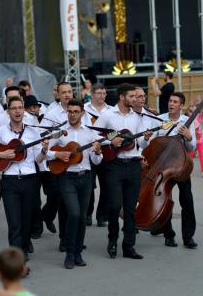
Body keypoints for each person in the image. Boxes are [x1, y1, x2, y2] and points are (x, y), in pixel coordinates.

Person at [0, 97, 45, 268]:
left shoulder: (33, 132)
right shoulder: (0, 131)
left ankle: (23, 247)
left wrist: (44, 151)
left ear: (24, 110)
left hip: (30, 180)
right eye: (13, 108)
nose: (17, 111)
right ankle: (17, 259)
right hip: (9, 182)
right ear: (8, 112)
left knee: (27, 221)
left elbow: (38, 159)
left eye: (20, 108)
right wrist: (1, 155)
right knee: (14, 222)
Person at [93, 83, 153, 260]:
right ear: (121, 97)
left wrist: (146, 139)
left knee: (130, 208)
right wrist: (113, 140)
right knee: (114, 206)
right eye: (132, 96)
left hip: (134, 164)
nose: (135, 99)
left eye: (136, 96)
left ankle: (129, 246)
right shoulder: (107, 115)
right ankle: (112, 241)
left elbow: (140, 143)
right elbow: (97, 136)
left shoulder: (138, 117)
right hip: (114, 165)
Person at [45, 98, 102, 268]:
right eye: (70, 111)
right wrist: (57, 155)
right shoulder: (61, 132)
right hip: (66, 178)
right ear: (67, 112)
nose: (73, 114)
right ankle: (69, 253)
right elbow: (45, 150)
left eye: (76, 111)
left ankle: (78, 253)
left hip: (85, 177)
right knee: (74, 214)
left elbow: (97, 161)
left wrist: (98, 153)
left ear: (82, 113)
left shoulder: (90, 133)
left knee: (82, 217)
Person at [151, 92, 198, 249]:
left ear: (181, 105)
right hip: (163, 168)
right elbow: (152, 143)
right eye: (170, 101)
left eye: (175, 102)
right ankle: (168, 235)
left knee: (187, 202)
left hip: (181, 167)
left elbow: (193, 147)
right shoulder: (160, 119)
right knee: (164, 202)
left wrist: (188, 136)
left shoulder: (187, 121)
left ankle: (188, 237)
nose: (171, 104)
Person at [84, 83, 112, 227]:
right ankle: (88, 214)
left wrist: (106, 139)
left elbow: (115, 131)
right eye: (99, 93)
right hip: (89, 151)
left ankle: (102, 216)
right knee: (89, 185)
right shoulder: (83, 110)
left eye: (104, 93)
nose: (102, 96)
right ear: (92, 94)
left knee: (107, 185)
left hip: (107, 151)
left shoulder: (112, 110)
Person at [187, 99, 203, 178]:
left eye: (194, 107)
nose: (193, 108)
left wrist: (201, 104)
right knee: (190, 156)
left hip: (199, 139)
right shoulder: (188, 117)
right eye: (191, 107)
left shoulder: (199, 117)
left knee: (202, 155)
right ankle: (187, 171)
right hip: (192, 139)